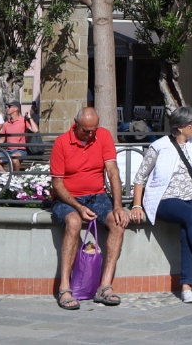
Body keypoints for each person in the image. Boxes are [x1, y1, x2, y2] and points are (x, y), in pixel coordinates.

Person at [129, 104, 192, 303]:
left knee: (188, 230)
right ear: (179, 127)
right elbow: (140, 177)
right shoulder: (159, 146)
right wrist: (136, 205)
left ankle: (186, 287)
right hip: (164, 199)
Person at [52, 104, 130, 309]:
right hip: (68, 198)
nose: (89, 134)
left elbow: (113, 172)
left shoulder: (102, 136)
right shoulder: (61, 143)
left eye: (93, 130)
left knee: (118, 222)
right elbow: (57, 184)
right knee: (74, 222)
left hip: (97, 196)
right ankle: (65, 288)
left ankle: (105, 286)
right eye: (86, 130)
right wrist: (77, 207)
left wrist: (118, 206)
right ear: (76, 125)